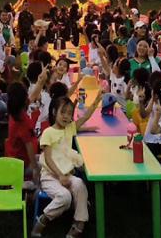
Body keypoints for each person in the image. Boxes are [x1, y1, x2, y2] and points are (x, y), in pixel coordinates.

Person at [31, 92, 102, 238]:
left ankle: (79, 224)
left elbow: (85, 117)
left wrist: (96, 101)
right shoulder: (48, 133)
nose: (65, 116)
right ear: (54, 112)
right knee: (65, 197)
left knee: (80, 185)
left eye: (69, 113)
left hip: (66, 175)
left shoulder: (70, 128)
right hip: (50, 176)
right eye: (62, 112)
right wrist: (60, 175)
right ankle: (41, 222)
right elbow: (49, 159)